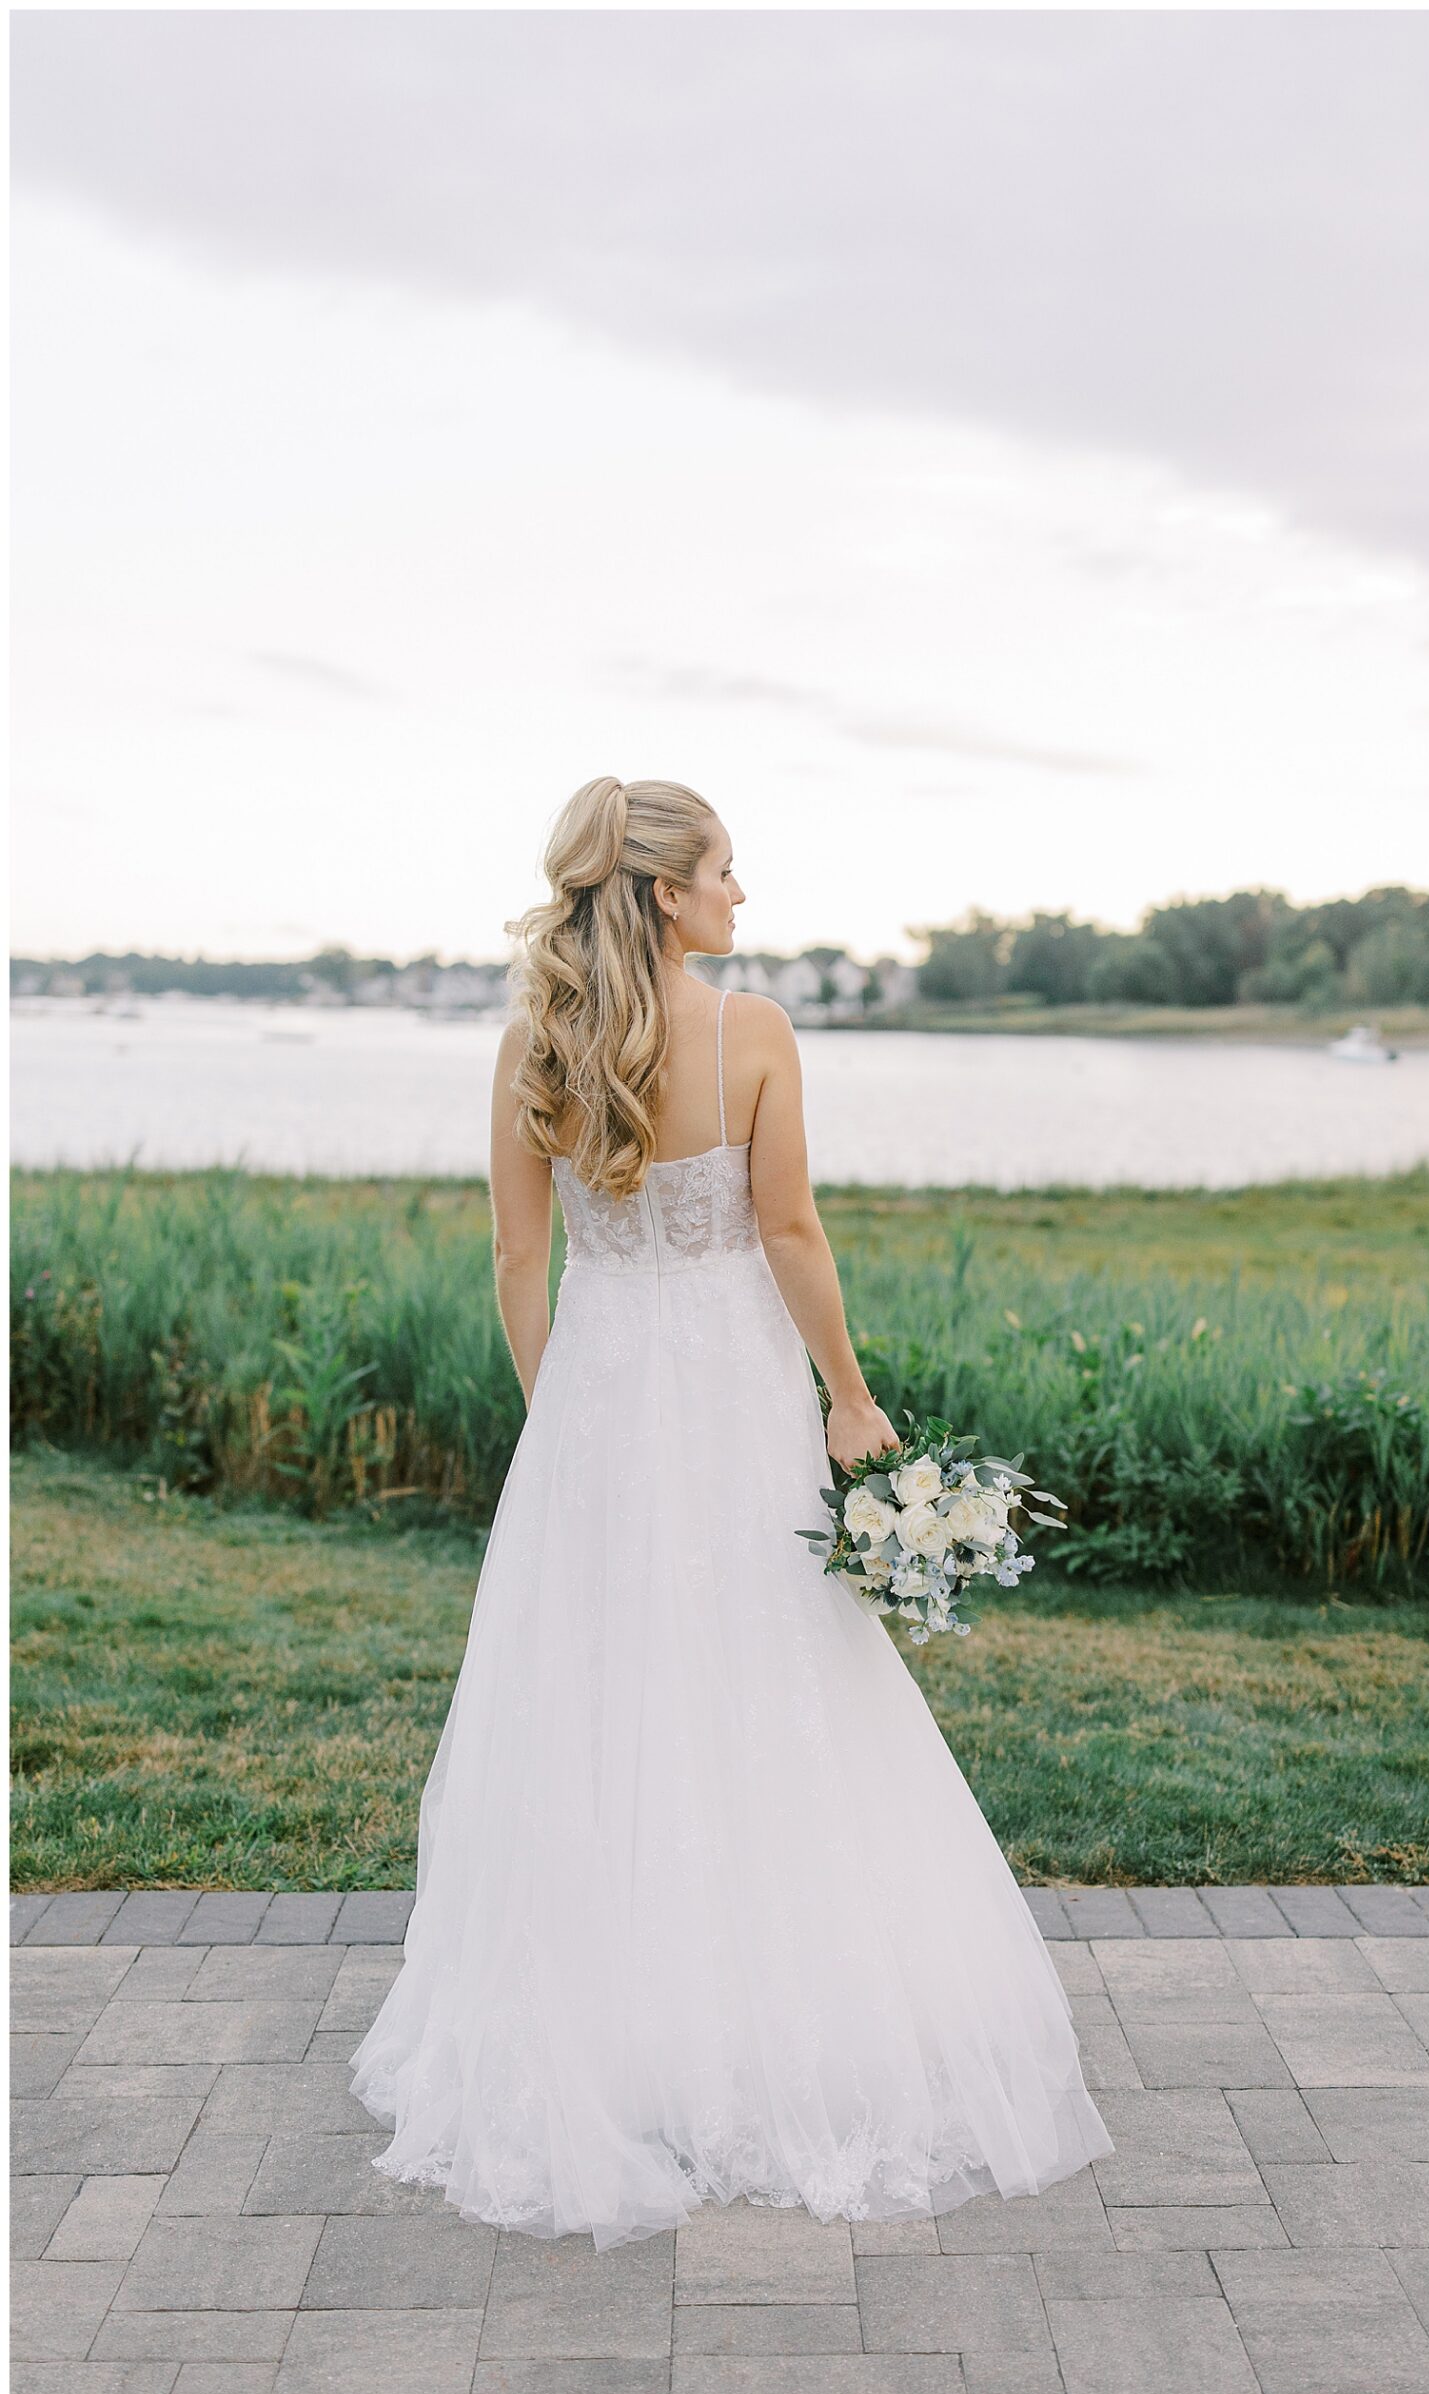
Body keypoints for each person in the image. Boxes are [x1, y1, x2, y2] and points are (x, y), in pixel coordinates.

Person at [348, 775, 1112, 2248]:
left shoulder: (530, 1042)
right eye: (723, 871)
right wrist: (847, 1393)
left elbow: (519, 1260)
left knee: (604, 1695)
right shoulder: (748, 1031)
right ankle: (775, 2019)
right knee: (771, 1673)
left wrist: (555, 1406)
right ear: (663, 893)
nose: (741, 896)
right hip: (732, 1387)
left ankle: (615, 2021)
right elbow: (786, 1229)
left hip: (603, 1389)